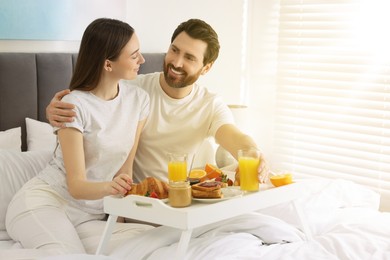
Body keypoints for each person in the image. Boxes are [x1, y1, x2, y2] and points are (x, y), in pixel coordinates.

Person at [46, 18, 270, 184]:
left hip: (189, 203)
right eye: (174, 50)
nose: (177, 62)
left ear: (206, 68)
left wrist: (253, 153)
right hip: (144, 203)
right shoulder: (133, 90)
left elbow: (234, 137)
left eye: (190, 58)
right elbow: (90, 103)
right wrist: (52, 111)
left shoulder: (210, 104)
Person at [5, 18, 154, 255]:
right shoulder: (74, 105)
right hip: (44, 203)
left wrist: (119, 219)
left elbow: (124, 171)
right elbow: (76, 186)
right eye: (134, 55)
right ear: (108, 64)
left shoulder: (139, 100)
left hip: (90, 216)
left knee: (147, 245)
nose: (142, 60)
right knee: (67, 254)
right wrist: (111, 187)